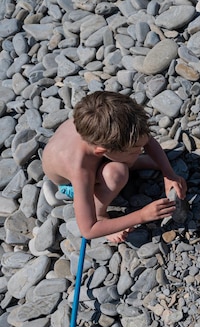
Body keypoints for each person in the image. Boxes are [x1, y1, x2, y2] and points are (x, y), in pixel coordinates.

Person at [42, 91, 187, 243]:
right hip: (71, 184)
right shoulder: (79, 171)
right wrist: (143, 215)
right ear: (102, 152)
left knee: (128, 159)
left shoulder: (103, 125)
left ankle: (136, 162)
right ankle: (101, 214)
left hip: (100, 158)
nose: (141, 149)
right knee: (117, 173)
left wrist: (168, 174)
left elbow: (147, 140)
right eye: (135, 150)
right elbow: (88, 230)